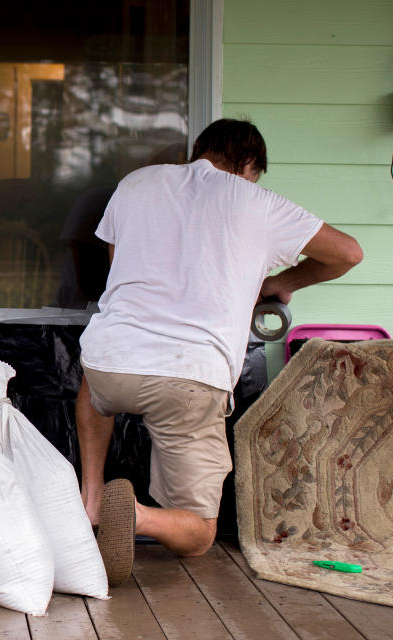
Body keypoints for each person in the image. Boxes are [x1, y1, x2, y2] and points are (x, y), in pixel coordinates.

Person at [76, 119, 362, 587]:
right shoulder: (257, 202)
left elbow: (119, 273)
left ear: (200, 151)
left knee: (94, 379)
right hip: (190, 376)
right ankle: (135, 515)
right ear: (249, 165)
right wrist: (281, 283)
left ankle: (90, 500)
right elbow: (348, 253)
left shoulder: (137, 183)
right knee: (201, 531)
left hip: (111, 362)